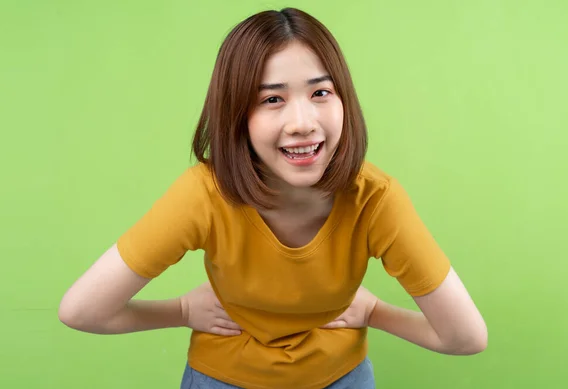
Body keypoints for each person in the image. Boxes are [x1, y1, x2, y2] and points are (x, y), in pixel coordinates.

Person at [58, 7, 487, 389]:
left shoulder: (375, 200)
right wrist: (184, 310)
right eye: (272, 99)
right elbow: (82, 310)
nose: (302, 122)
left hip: (342, 377)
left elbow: (466, 337)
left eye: (320, 92)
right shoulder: (204, 194)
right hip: (222, 378)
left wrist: (374, 311)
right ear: (236, 115)